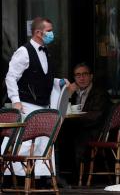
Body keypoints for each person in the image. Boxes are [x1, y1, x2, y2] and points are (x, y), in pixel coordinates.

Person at [4, 17, 66, 177]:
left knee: (44, 140)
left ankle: (40, 177)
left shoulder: (46, 52)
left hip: (43, 104)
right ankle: (13, 176)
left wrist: (59, 82)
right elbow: (11, 77)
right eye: (49, 31)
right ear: (38, 32)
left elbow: (41, 76)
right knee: (23, 141)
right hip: (27, 103)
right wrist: (16, 101)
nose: (52, 34)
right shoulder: (24, 51)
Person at [58, 63, 112, 182]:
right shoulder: (73, 92)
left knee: (71, 136)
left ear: (91, 76)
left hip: (95, 131)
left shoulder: (99, 93)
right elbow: (60, 109)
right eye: (78, 75)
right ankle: (60, 174)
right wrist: (67, 94)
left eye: (84, 74)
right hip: (77, 128)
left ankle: (74, 177)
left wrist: (76, 118)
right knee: (59, 135)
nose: (81, 78)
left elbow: (96, 116)